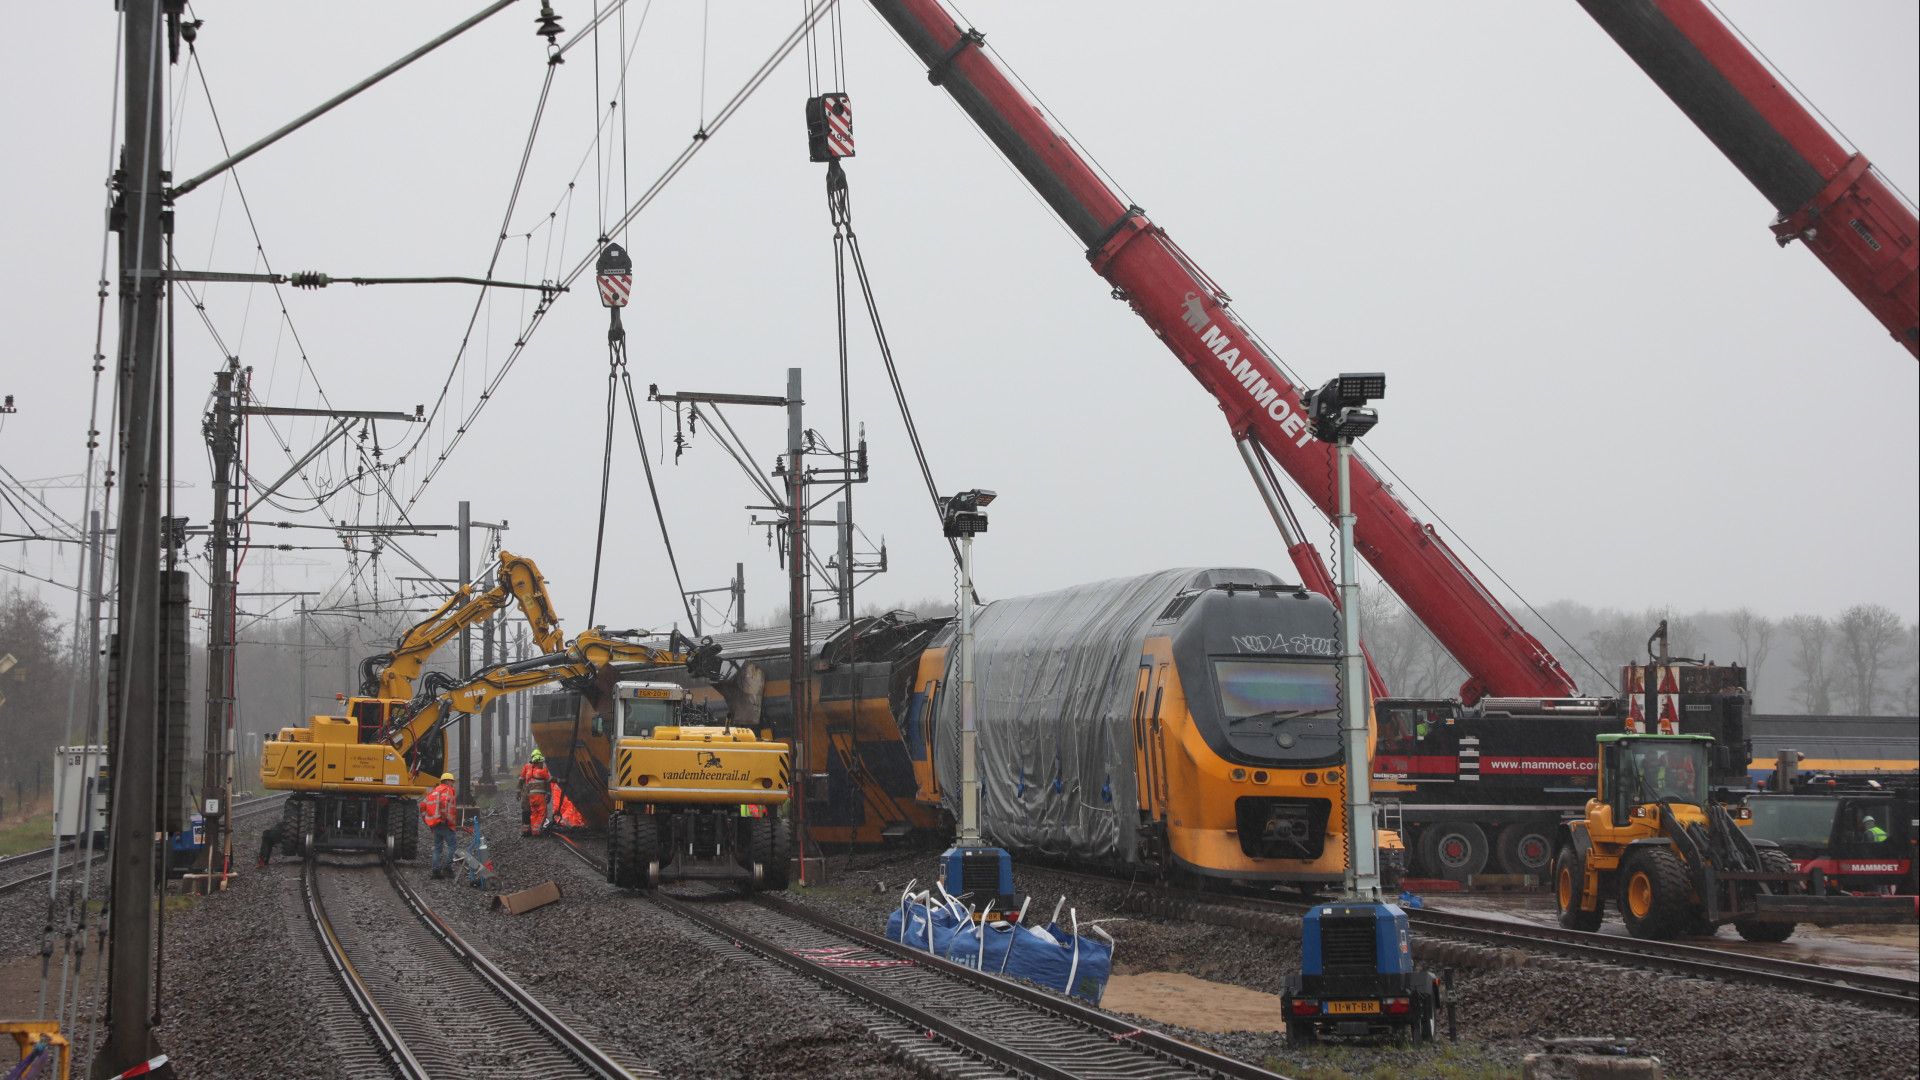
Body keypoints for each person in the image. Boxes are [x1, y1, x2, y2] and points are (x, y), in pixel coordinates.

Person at [420, 772, 461, 878]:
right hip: (445, 823)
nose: (452, 784)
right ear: (448, 781)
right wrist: (443, 818)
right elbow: (444, 802)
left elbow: (423, 805)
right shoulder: (447, 790)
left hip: (435, 824)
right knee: (452, 846)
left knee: (438, 848)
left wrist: (428, 821)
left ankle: (435, 871)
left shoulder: (434, 791)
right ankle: (447, 868)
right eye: (452, 782)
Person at [519, 750, 552, 837]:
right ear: (538, 762)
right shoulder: (541, 771)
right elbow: (549, 780)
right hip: (539, 796)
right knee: (542, 813)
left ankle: (531, 831)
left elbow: (521, 780)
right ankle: (537, 831)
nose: (542, 764)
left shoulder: (529, 771)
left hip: (530, 796)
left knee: (533, 813)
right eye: (541, 762)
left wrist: (519, 792)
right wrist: (549, 793)